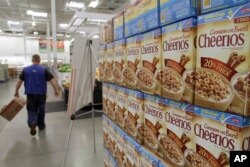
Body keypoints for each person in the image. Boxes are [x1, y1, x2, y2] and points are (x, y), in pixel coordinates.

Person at [15, 54, 59, 136]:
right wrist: (56, 90)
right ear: (39, 60)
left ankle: (32, 122)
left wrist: (16, 91)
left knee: (31, 109)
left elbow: (19, 81)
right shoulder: (44, 69)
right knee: (41, 110)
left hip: (30, 94)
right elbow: (52, 81)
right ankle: (41, 126)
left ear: (32, 60)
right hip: (41, 94)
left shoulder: (25, 70)